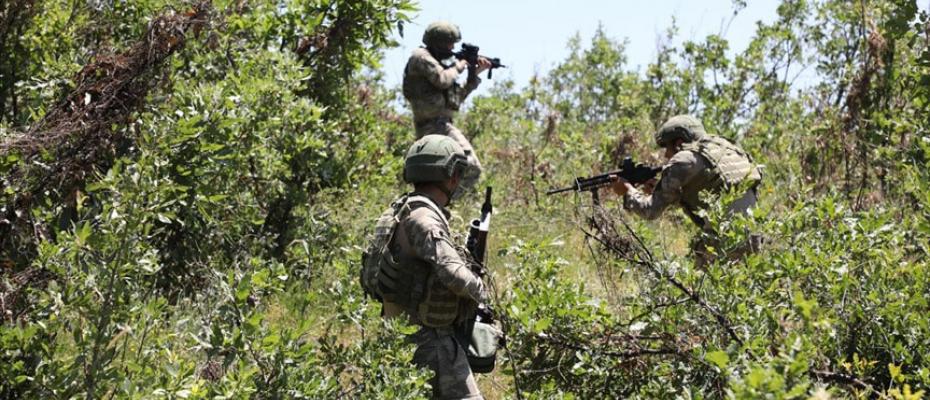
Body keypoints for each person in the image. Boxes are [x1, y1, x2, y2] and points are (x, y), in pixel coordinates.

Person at [368, 135, 488, 399]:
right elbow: (454, 275)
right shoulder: (425, 220)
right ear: (452, 176)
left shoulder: (398, 211)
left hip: (398, 337)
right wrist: (484, 293)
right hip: (431, 343)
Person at [611, 114, 762, 267]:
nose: (666, 155)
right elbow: (712, 189)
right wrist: (660, 188)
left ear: (679, 143)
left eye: (667, 148)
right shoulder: (726, 148)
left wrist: (627, 191)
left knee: (702, 290)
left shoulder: (684, 158)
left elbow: (650, 211)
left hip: (722, 241)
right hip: (753, 238)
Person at [402, 21, 492, 192]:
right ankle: (447, 204)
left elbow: (455, 101)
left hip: (441, 124)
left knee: (442, 173)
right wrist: (461, 64)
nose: (452, 49)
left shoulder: (442, 64)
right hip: (433, 124)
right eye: (450, 44)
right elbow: (442, 80)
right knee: (469, 166)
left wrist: (475, 75)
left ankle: (442, 205)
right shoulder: (420, 56)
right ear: (438, 42)